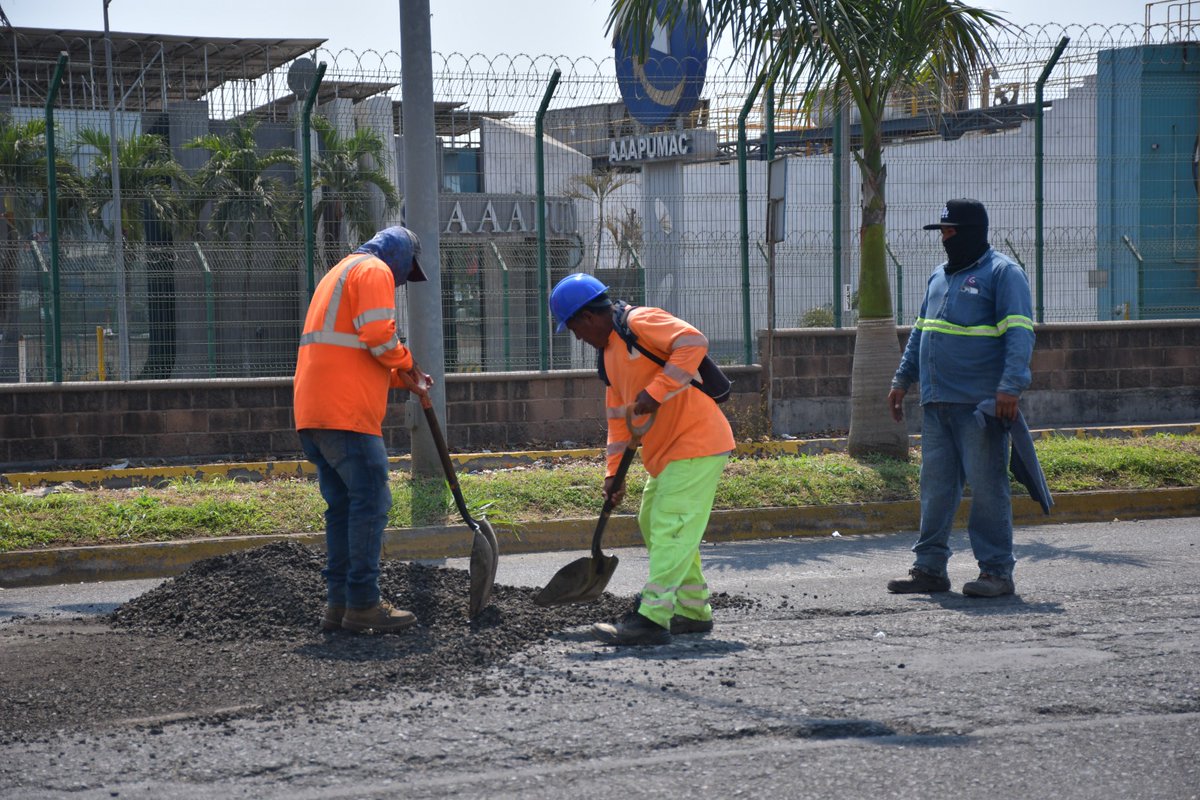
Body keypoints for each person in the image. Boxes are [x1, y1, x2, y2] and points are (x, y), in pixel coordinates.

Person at [549, 273, 735, 645]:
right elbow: (619, 420)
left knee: (670, 526)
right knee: (653, 522)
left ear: (587, 317)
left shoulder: (637, 321)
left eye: (573, 329)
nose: (577, 338)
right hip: (666, 452)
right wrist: (613, 475)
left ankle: (652, 616)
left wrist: (657, 390)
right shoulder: (609, 357)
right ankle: (693, 610)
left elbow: (693, 341)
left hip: (697, 441)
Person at [886, 199, 1035, 598]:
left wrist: (1010, 387)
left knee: (987, 489)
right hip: (937, 404)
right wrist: (902, 379)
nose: (945, 240)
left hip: (980, 406)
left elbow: (1020, 334)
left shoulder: (1003, 274)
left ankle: (997, 572)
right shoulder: (939, 276)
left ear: (971, 232)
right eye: (942, 233)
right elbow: (921, 331)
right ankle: (930, 569)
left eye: (950, 232)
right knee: (935, 489)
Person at [294, 226, 433, 633]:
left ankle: (338, 605)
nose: (404, 282)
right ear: (401, 257)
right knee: (371, 501)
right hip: (346, 416)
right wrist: (406, 363)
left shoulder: (336, 274)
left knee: (342, 509)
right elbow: (377, 336)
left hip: (315, 412)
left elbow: (350, 352)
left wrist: (398, 377)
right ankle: (364, 605)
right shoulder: (374, 270)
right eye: (407, 272)